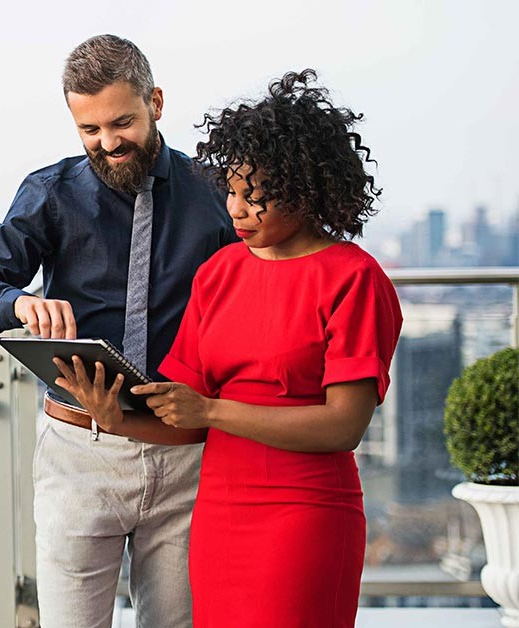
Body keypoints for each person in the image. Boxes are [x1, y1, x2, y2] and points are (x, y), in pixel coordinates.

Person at [55, 69, 402, 627]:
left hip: (305, 513)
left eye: (253, 196)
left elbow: (344, 426)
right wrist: (114, 419)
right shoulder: (218, 273)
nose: (235, 210)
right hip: (218, 513)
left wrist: (212, 411)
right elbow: (184, 416)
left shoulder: (353, 278)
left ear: (302, 187)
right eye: (231, 193)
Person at [0, 35, 235, 627]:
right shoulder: (51, 192)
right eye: (89, 129)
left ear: (156, 101)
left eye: (122, 122)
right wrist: (19, 305)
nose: (108, 143)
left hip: (187, 454)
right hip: (80, 457)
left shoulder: (214, 193)